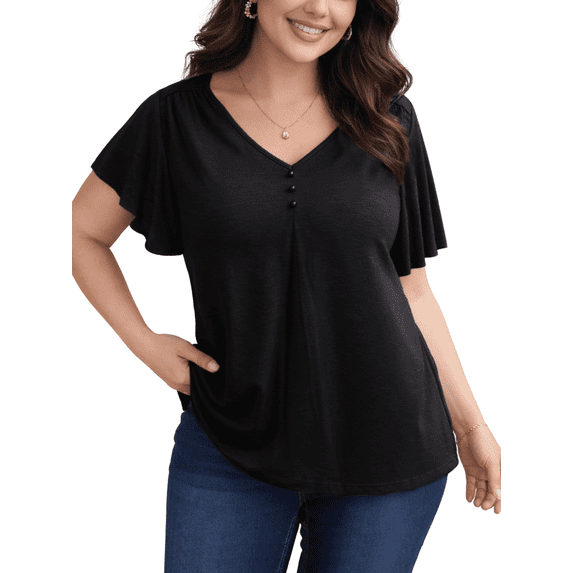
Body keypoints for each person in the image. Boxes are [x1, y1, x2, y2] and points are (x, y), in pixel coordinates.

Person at [72, 0, 501, 571]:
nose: (318, 8)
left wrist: (470, 425)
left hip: (389, 442)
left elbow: (412, 289)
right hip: (230, 439)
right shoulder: (174, 119)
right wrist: (145, 344)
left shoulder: (388, 117)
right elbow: (82, 232)